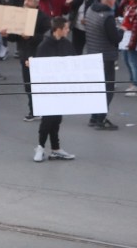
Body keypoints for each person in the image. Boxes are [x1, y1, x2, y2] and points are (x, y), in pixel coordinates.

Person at [32, 16, 77, 162]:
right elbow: (39, 68)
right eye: (66, 28)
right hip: (48, 89)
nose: (68, 30)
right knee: (47, 120)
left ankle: (56, 149)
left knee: (56, 119)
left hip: (62, 88)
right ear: (58, 29)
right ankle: (40, 148)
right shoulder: (44, 46)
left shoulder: (67, 44)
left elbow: (74, 63)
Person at [6, 0, 50, 121]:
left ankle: (39, 109)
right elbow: (14, 37)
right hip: (25, 54)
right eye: (25, 0)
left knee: (37, 84)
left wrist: (31, 36)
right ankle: (35, 110)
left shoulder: (43, 18)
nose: (26, 2)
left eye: (29, 0)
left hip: (37, 54)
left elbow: (46, 37)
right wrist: (7, 34)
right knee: (28, 84)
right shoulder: (20, 15)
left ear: (36, 3)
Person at [83, 0, 120, 130]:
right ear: (111, 1)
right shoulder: (107, 16)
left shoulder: (91, 9)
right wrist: (121, 31)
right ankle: (100, 119)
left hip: (92, 53)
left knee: (97, 88)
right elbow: (114, 38)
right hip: (106, 56)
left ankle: (94, 117)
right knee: (107, 89)